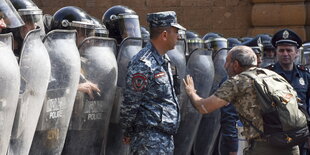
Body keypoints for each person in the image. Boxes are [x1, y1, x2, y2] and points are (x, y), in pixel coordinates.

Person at [183, 45, 300, 155]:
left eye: (227, 62)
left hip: (265, 148)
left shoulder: (237, 82)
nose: (224, 66)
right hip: (292, 144)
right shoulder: (273, 75)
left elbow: (203, 107)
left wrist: (191, 92)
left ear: (235, 64)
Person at [120, 11, 186, 154]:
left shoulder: (164, 60)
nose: (178, 36)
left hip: (164, 139)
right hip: (148, 141)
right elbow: (130, 103)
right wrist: (127, 131)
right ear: (164, 35)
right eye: (175, 32)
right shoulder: (144, 63)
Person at [266, 28, 310, 155]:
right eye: (281, 50)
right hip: (275, 134)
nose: (285, 54)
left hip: (300, 133)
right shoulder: (267, 75)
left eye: (289, 50)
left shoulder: (305, 75)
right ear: (276, 52)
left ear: (296, 52)